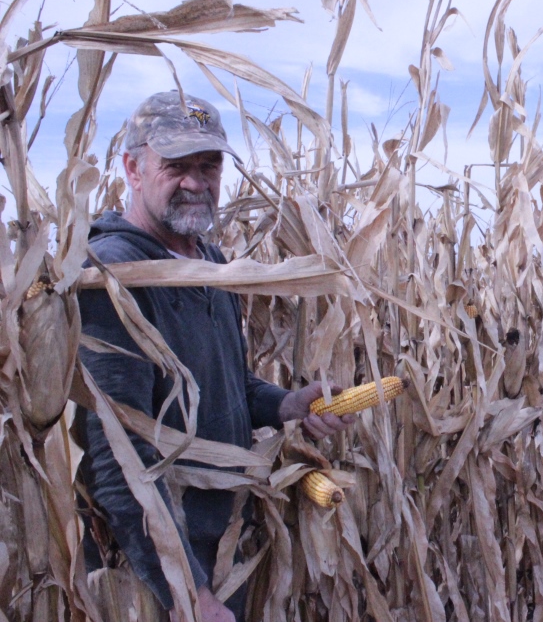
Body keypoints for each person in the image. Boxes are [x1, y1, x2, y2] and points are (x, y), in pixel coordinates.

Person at [75, 91, 352, 621]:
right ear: (133, 168)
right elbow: (120, 458)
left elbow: (230, 384)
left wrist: (288, 404)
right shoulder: (113, 275)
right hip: (152, 576)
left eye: (209, 165)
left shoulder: (210, 264)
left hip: (221, 549)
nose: (196, 182)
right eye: (176, 165)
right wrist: (188, 594)